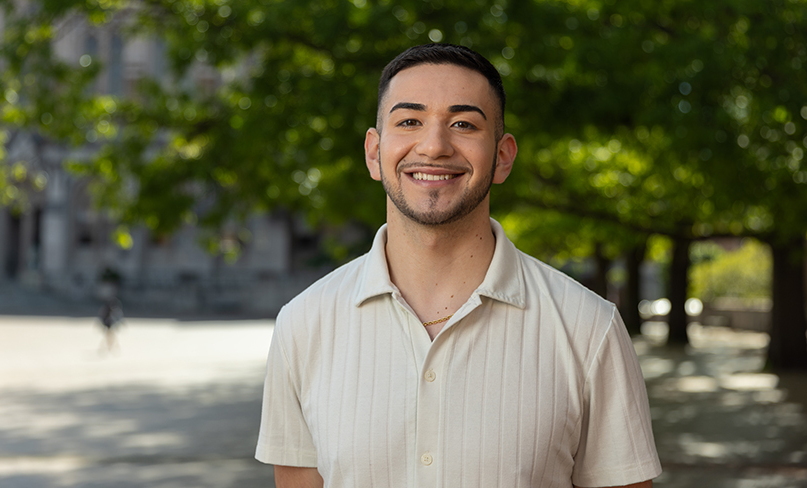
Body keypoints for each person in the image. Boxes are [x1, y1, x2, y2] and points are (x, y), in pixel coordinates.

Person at [255, 43, 661, 488]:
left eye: (463, 124)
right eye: (409, 121)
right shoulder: (303, 324)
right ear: (374, 153)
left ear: (503, 156)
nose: (434, 146)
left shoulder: (589, 328)